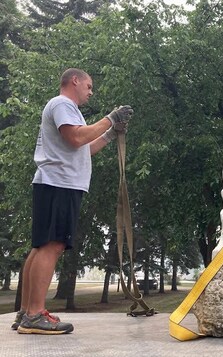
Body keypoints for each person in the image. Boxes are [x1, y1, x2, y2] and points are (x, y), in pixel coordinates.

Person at [11, 68, 133, 334]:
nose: (91, 92)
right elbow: (77, 136)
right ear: (74, 81)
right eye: (89, 86)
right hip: (59, 182)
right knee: (52, 245)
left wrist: (110, 134)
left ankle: (26, 312)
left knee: (41, 246)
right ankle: (33, 315)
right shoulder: (62, 104)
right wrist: (110, 119)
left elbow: (83, 148)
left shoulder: (68, 111)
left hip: (56, 181)